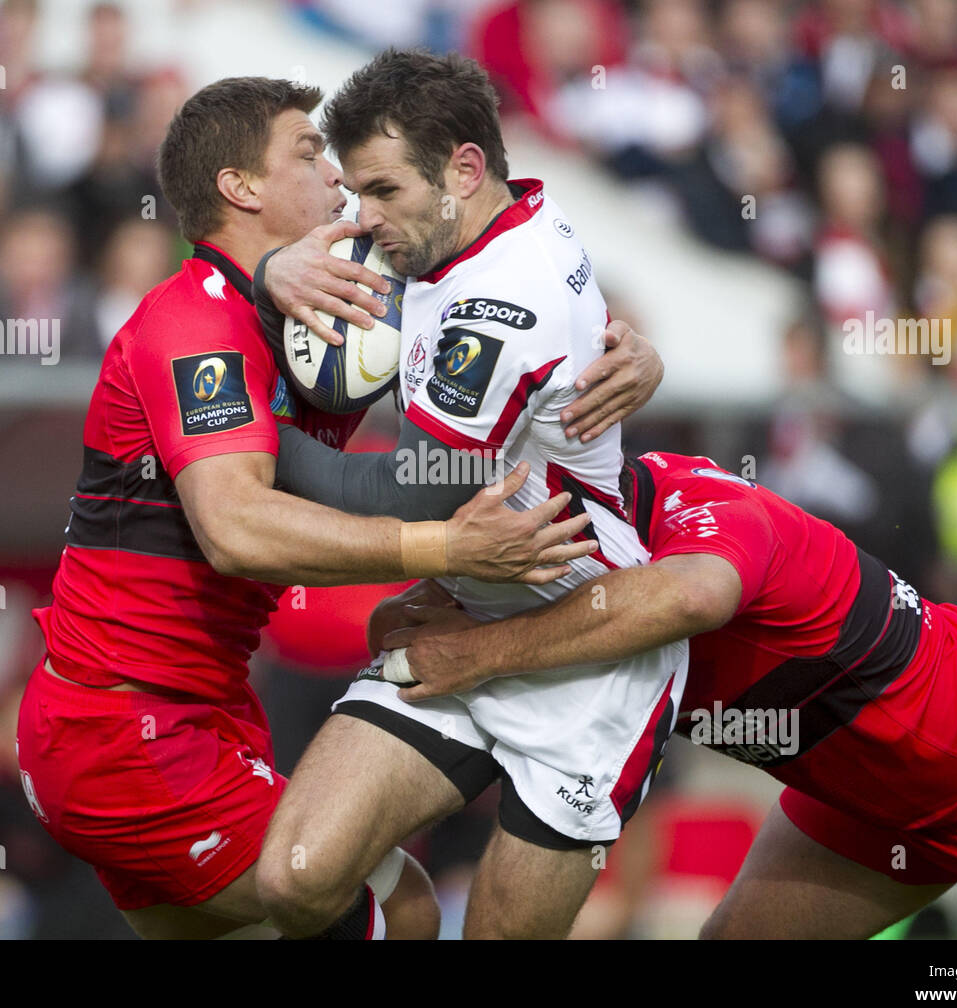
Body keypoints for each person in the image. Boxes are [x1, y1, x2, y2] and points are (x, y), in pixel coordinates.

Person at [15, 75, 659, 940]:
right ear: (241, 189)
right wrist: (445, 547)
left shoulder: (332, 300)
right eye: (311, 154)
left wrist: (635, 355)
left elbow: (516, 299)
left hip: (191, 714)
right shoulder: (196, 321)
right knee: (401, 907)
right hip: (127, 726)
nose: (341, 181)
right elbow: (236, 527)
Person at [251, 49, 686, 941]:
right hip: (463, 621)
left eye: (381, 191)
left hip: (583, 660)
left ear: (464, 168)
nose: (362, 219)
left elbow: (412, 489)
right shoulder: (489, 215)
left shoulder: (501, 305)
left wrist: (238, 440)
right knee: (294, 878)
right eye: (355, 191)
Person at [382, 450, 957, 940]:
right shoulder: (547, 566)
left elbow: (693, 593)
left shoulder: (697, 513)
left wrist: (476, 654)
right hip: (869, 794)